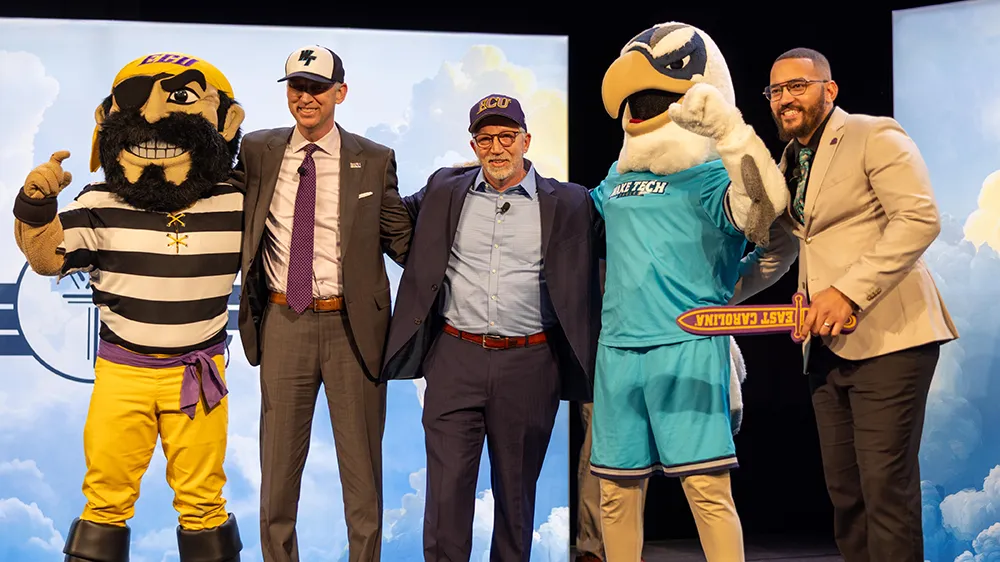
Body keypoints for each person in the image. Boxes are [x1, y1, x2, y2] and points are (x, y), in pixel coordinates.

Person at [13, 52, 245, 561]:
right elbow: (49, 256)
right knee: (106, 497)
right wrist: (36, 202)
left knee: (204, 500)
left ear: (225, 124)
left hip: (197, 369)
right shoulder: (100, 203)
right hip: (125, 374)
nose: (154, 128)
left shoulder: (237, 201)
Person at [734, 47, 959, 562]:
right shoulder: (789, 162)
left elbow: (919, 219)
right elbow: (786, 248)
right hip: (827, 347)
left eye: (798, 86)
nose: (785, 99)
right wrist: (718, 298)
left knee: (886, 492)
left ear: (828, 90)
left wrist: (848, 291)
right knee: (847, 497)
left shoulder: (871, 133)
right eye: (776, 90)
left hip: (892, 338)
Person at [379, 93, 604, 562]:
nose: (497, 148)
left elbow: (621, 244)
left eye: (506, 137)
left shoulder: (571, 201)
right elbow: (390, 217)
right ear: (473, 144)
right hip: (455, 358)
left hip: (531, 362)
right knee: (444, 497)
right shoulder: (445, 187)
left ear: (526, 140)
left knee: (517, 498)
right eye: (486, 139)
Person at [232, 44, 412, 562]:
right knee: (278, 471)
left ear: (340, 92)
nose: (305, 97)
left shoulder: (373, 159)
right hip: (284, 321)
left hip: (352, 329)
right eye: (296, 87)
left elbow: (404, 241)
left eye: (316, 87)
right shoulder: (259, 150)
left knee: (362, 474)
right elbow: (222, 206)